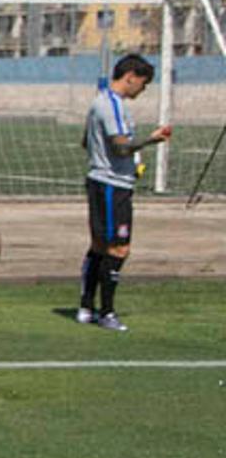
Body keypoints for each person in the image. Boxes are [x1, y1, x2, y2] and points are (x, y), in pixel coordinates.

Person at [78, 53, 170, 332]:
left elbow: (86, 142)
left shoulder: (100, 102)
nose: (143, 89)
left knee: (99, 245)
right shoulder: (112, 106)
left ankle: (86, 307)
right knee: (118, 248)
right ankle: (106, 312)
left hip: (103, 180)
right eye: (142, 83)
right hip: (112, 185)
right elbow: (119, 146)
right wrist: (151, 141)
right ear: (130, 76)